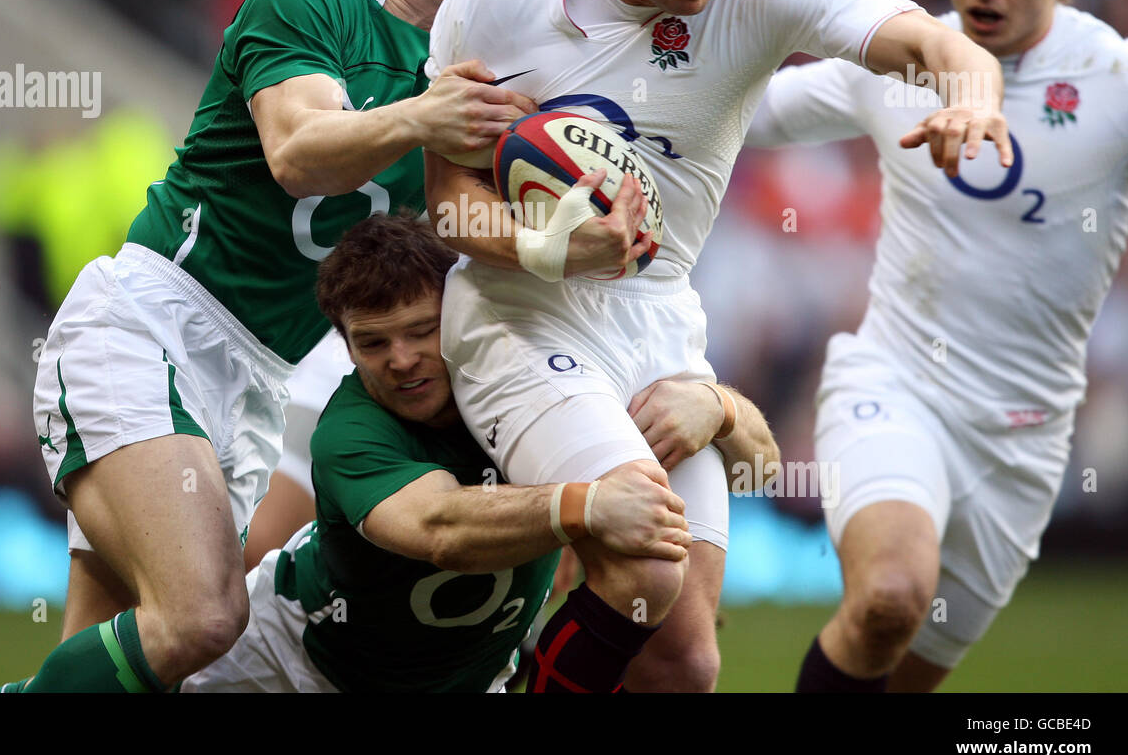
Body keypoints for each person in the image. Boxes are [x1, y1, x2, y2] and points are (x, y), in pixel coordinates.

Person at [424, 0, 1013, 693]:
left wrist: (972, 98)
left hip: (660, 323)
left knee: (686, 664)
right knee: (643, 560)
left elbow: (940, 42)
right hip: (521, 314)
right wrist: (561, 249)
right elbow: (448, 208)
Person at [0, 0, 530, 693]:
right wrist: (424, 116)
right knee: (205, 615)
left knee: (133, 653)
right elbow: (298, 148)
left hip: (258, 372)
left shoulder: (463, 54)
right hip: (155, 323)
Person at [743, 0, 1128, 692]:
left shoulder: (1119, 81)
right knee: (888, 598)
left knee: (904, 679)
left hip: (1024, 440)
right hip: (896, 386)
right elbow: (737, 114)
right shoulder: (894, 63)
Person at [185, 212, 776, 692]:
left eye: (421, 330)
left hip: (466, 681)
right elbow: (441, 527)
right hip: (286, 668)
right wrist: (588, 504)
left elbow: (762, 473)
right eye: (372, 342)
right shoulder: (350, 430)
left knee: (692, 666)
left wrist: (720, 409)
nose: (400, 359)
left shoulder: (546, 387)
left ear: (462, 316)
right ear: (346, 345)